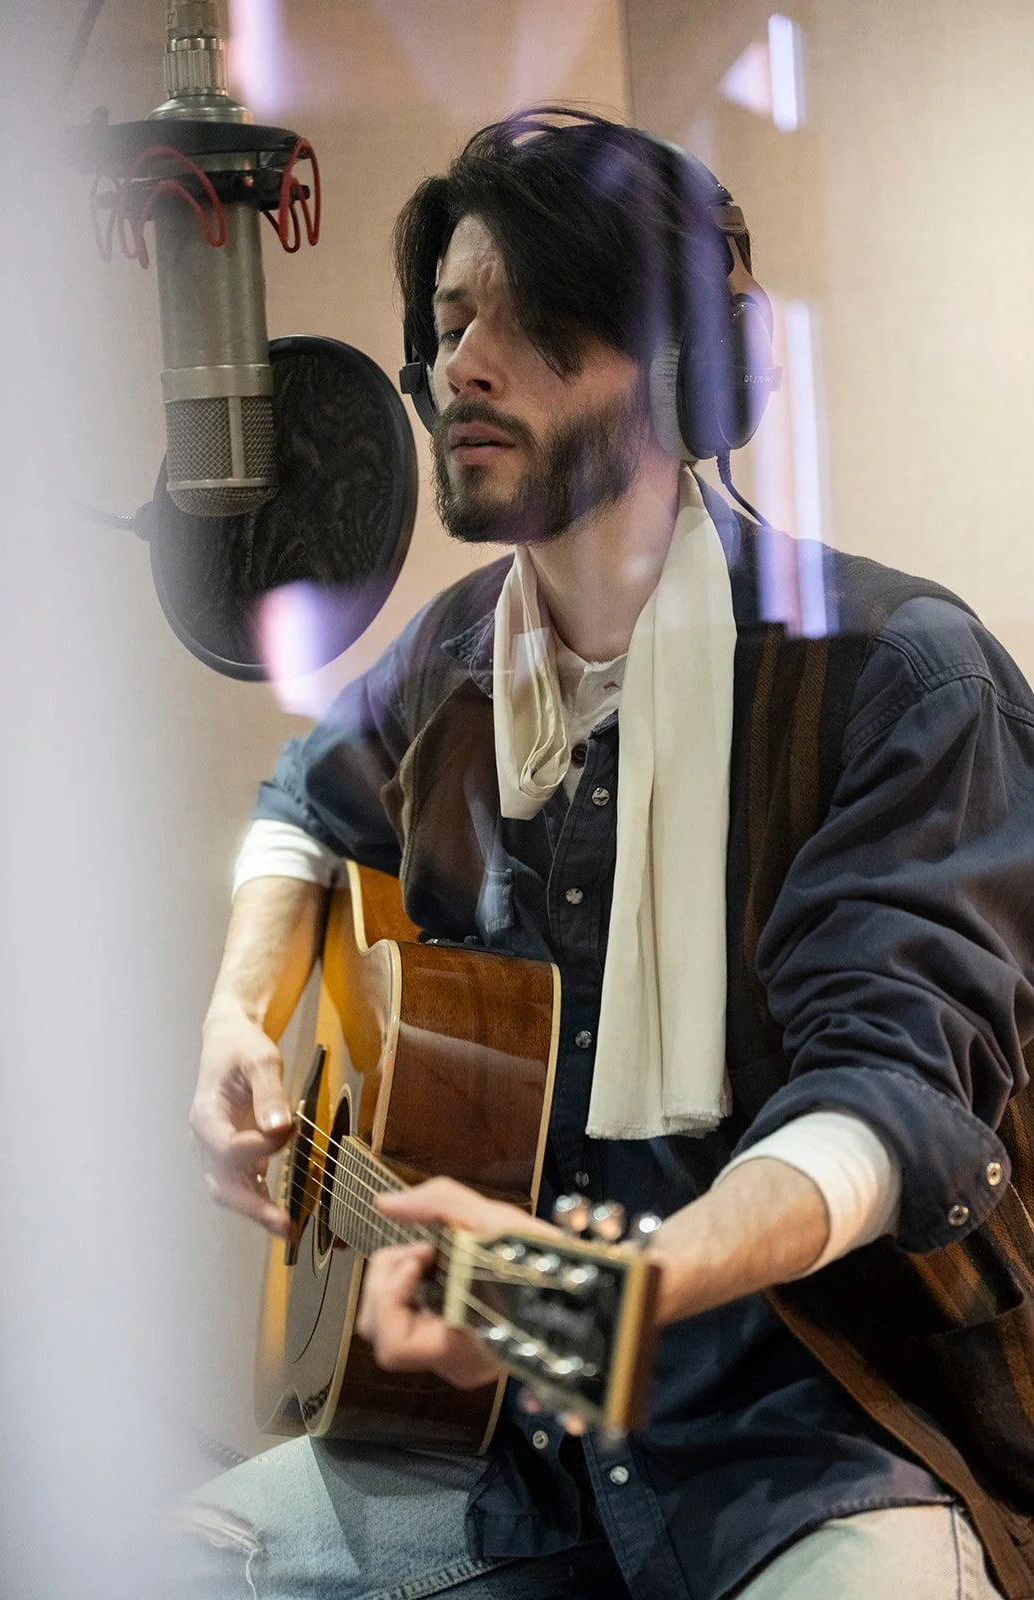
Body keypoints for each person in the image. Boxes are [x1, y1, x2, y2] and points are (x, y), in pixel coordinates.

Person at [181, 108, 1034, 1599]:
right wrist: (238, 1016)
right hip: (504, 1446)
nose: (465, 368)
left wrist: (622, 1297)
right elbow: (302, 803)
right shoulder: (454, 661)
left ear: (690, 376)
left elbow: (889, 1097)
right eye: (449, 327)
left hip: (824, 1441)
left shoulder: (901, 676)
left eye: (538, 324)